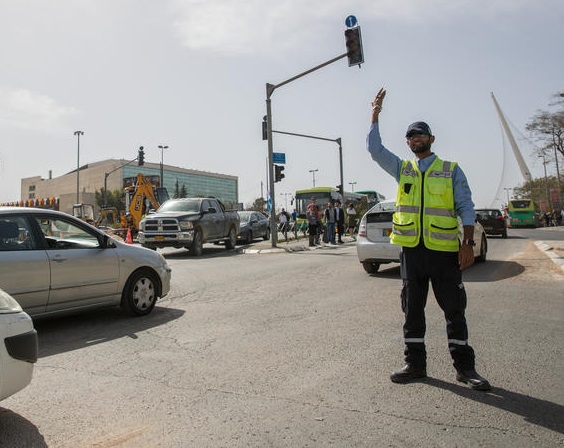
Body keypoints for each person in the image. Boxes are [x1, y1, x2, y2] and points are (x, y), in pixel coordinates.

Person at [366, 87, 491, 391]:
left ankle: (465, 368)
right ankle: (415, 364)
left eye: (419, 135)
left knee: (454, 310)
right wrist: (375, 114)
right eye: (410, 136)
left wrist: (468, 244)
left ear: (431, 139)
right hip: (411, 252)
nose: (414, 139)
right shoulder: (402, 169)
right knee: (412, 310)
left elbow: (466, 208)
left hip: (444, 252)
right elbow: (374, 149)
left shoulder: (450, 170)